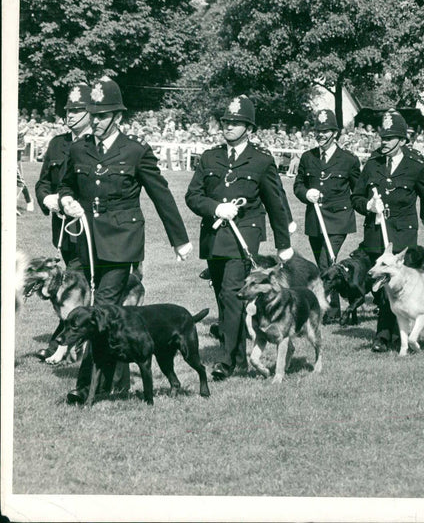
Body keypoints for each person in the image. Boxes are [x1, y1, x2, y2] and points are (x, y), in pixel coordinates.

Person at [58, 77, 193, 404]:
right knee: (103, 313)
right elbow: (65, 185)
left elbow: (161, 194)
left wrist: (180, 239)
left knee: (100, 309)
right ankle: (114, 377)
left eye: (103, 115)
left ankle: (86, 385)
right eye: (94, 114)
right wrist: (66, 201)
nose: (97, 121)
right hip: (87, 241)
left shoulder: (135, 151)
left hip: (121, 244)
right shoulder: (79, 148)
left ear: (118, 116)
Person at [185, 95, 294, 380]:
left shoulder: (261, 160)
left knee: (233, 295)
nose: (229, 126)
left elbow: (276, 204)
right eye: (226, 122)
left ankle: (226, 361)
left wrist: (284, 245)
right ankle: (237, 355)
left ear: (249, 128)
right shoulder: (210, 157)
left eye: (236, 123)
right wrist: (215, 208)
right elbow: (193, 196)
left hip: (244, 238)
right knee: (224, 299)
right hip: (214, 237)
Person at [351, 110, 424, 352]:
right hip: (376, 233)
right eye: (382, 136)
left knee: (398, 284)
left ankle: (390, 334)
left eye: (390, 137)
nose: (384, 141)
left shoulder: (415, 165)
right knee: (382, 284)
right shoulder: (372, 164)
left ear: (402, 140)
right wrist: (369, 206)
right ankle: (386, 335)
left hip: (402, 235)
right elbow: (357, 197)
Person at [33, 83, 94, 360]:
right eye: (68, 110)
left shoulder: (97, 144)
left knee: (78, 286)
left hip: (92, 230)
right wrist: (49, 200)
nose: (71, 115)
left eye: (78, 109)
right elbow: (43, 182)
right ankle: (75, 343)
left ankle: (62, 344)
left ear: (92, 112)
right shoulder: (58, 143)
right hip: (64, 231)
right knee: (70, 286)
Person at [293, 109, 361, 324]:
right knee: (327, 266)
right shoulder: (307, 157)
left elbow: (358, 190)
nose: (321, 135)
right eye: (318, 131)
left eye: (326, 131)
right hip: (316, 220)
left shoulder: (348, 160)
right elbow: (298, 185)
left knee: (325, 264)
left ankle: (331, 313)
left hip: (338, 219)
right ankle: (349, 305)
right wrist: (306, 193)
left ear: (335, 133)